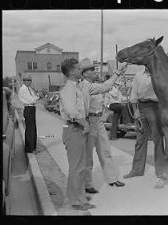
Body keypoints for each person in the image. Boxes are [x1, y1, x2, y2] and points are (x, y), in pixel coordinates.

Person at [78, 58, 126, 194]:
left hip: (98, 121)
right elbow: (106, 86)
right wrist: (117, 72)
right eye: (91, 69)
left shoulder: (92, 85)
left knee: (105, 151)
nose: (94, 71)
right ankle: (87, 184)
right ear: (84, 73)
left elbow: (104, 94)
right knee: (88, 156)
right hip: (89, 121)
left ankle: (112, 179)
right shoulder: (84, 86)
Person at [123, 67, 168, 188]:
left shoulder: (160, 74)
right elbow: (133, 94)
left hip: (156, 108)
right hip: (141, 108)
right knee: (140, 140)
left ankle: (161, 171)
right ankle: (137, 170)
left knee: (157, 140)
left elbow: (166, 93)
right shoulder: (138, 76)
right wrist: (135, 111)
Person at [59, 58, 95, 211]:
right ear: (72, 71)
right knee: (77, 168)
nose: (81, 70)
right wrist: (85, 123)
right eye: (79, 68)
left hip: (77, 129)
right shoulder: (69, 89)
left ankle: (77, 197)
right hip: (74, 129)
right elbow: (72, 111)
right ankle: (76, 202)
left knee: (80, 166)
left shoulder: (77, 87)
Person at [18, 75, 39, 153]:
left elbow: (35, 97)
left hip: (32, 108)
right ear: (25, 81)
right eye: (28, 81)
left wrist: (36, 97)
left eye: (30, 80)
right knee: (30, 129)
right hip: (28, 108)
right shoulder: (23, 89)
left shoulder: (29, 89)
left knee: (33, 128)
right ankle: (30, 149)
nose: (30, 82)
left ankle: (33, 147)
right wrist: (36, 97)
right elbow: (32, 100)